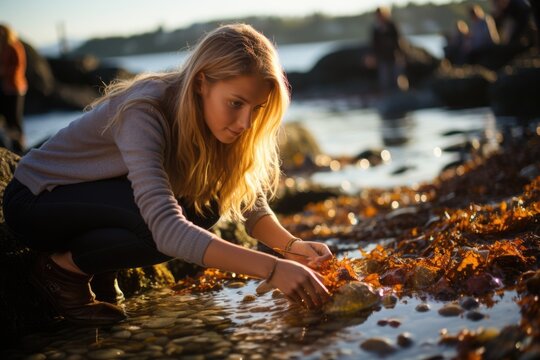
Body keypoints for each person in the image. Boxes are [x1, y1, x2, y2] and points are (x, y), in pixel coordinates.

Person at [2, 23, 333, 325]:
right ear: (201, 82)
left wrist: (292, 247)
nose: (245, 123)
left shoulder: (216, 121)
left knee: (206, 207)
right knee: (171, 219)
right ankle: (62, 273)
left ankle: (99, 268)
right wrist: (272, 269)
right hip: (36, 202)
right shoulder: (146, 110)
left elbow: (250, 201)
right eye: (236, 103)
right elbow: (166, 228)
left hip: (94, 201)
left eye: (256, 109)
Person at [0, 24, 27, 154]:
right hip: (6, 88)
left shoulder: (14, 46)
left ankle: (20, 147)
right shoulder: (4, 46)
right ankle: (12, 147)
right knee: (7, 118)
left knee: (15, 119)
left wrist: (4, 71)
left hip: (16, 88)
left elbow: (18, 67)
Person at [370, 6, 406, 93]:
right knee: (385, 80)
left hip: (394, 56)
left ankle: (402, 94)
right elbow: (374, 45)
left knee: (398, 78)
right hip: (383, 58)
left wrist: (401, 54)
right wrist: (374, 57)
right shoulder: (376, 28)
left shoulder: (391, 25)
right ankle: (388, 95)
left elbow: (398, 40)